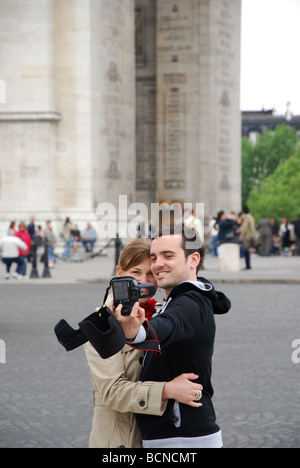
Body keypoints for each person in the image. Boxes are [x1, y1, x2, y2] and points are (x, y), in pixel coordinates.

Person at [114, 225, 231, 448]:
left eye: (168, 256)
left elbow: (169, 325)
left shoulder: (189, 302)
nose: (158, 264)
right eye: (154, 257)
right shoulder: (179, 299)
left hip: (180, 436)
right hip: (176, 433)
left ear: (193, 259)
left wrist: (137, 331)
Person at [83, 238, 203, 448]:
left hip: (163, 439)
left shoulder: (165, 314)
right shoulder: (101, 325)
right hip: (121, 441)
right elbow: (112, 392)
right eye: (135, 273)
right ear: (119, 273)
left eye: (150, 274)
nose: (143, 281)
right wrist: (167, 390)